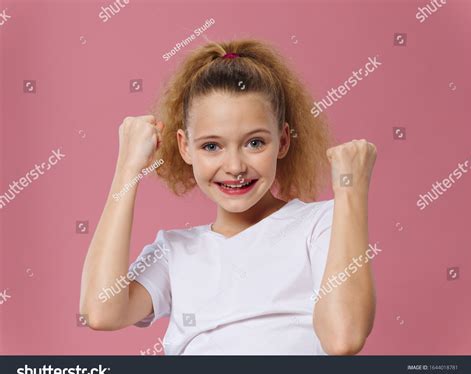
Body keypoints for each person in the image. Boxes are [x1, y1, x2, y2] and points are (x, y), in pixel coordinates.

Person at [79, 38, 377, 355]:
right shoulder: (174, 251)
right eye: (211, 146)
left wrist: (351, 191)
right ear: (185, 147)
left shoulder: (320, 226)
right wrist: (127, 169)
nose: (235, 167)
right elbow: (100, 312)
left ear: (284, 141)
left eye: (255, 143)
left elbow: (344, 337)